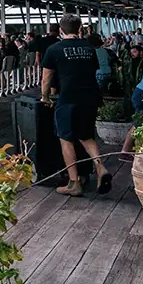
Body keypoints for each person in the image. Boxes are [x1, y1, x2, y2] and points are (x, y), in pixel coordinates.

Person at [41, 14, 112, 197]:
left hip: (68, 98)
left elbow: (46, 78)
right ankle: (100, 167)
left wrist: (45, 97)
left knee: (66, 138)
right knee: (86, 136)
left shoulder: (54, 49)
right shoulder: (89, 48)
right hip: (90, 97)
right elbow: (92, 71)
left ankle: (74, 183)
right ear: (80, 29)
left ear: (61, 30)